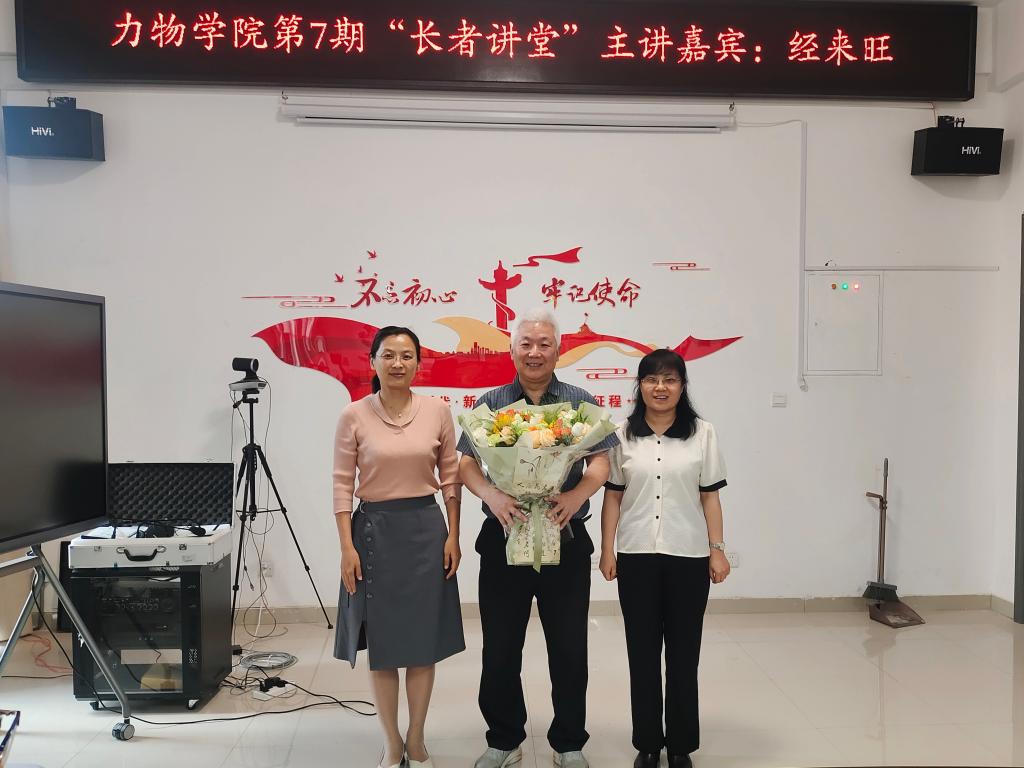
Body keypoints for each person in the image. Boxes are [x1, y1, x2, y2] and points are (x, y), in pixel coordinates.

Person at [457, 307, 619, 768]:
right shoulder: (491, 403)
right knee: (500, 647)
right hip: (504, 534)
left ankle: (568, 742)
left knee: (568, 647)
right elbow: (466, 462)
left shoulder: (578, 402)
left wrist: (577, 495)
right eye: (525, 344)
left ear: (558, 350)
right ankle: (504, 738)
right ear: (511, 351)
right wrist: (491, 494)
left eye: (544, 344)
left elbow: (601, 461)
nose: (534, 352)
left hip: (565, 537)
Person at [333, 325, 465, 768]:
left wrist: (454, 534)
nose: (397, 363)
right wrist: (346, 547)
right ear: (372, 361)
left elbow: (450, 478)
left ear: (418, 364)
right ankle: (391, 742)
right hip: (373, 535)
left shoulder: (438, 411)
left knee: (423, 643)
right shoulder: (353, 415)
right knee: (385, 645)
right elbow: (341, 485)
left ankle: (417, 736)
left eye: (407, 356)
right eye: (388, 355)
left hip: (427, 533)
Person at [599, 348, 730, 768]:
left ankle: (680, 745)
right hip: (636, 555)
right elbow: (613, 497)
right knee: (641, 654)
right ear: (639, 385)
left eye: (670, 379)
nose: (660, 387)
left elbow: (709, 496)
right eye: (652, 379)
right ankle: (648, 744)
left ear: (682, 386)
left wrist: (717, 550)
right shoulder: (621, 435)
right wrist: (607, 549)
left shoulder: (702, 433)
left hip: (688, 556)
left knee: (683, 654)